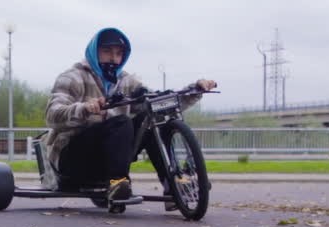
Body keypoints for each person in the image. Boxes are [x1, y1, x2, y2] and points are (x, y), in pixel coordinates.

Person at [44, 28, 216, 204]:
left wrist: (195, 90)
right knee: (121, 122)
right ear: (94, 52)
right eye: (107, 51)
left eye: (119, 54)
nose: (113, 58)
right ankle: (117, 182)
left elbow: (158, 102)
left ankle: (173, 184)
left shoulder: (127, 81)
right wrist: (84, 108)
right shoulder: (72, 78)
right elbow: (52, 115)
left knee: (152, 118)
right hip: (72, 158)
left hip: (108, 156)